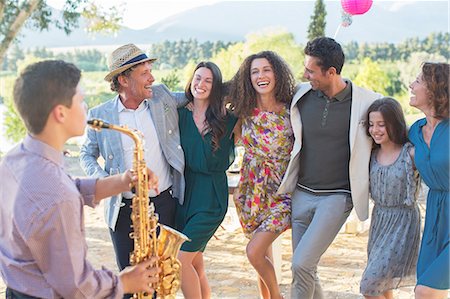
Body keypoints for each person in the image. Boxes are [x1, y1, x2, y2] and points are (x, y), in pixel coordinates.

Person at [0, 60, 160, 298]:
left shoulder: (15, 159)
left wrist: (124, 180)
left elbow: (67, 187)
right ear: (60, 113)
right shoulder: (57, 196)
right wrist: (124, 282)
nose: (86, 107)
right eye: (81, 100)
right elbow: (77, 287)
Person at [277, 37, 382, 299]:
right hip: (301, 193)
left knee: (301, 263)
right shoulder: (301, 95)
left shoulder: (368, 102)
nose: (305, 74)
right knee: (305, 269)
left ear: (331, 72)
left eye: (311, 70)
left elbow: (388, 134)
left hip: (337, 197)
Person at [79, 44, 186, 290]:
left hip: (163, 204)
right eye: (145, 73)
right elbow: (86, 154)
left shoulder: (162, 97)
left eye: (151, 71)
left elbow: (198, 94)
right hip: (124, 209)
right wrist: (106, 183)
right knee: (130, 283)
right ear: (124, 80)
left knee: (163, 281)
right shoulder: (101, 114)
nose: (153, 78)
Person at [228, 50, 296, 299]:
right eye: (255, 71)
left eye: (266, 69)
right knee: (262, 257)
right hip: (251, 192)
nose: (261, 76)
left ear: (277, 73)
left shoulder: (292, 111)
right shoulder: (243, 111)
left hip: (282, 193)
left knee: (254, 252)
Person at [175, 61, 237, 299]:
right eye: (198, 78)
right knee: (196, 263)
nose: (201, 84)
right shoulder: (179, 114)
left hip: (211, 197)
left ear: (216, 87)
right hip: (185, 194)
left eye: (208, 81)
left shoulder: (229, 118)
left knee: (181, 259)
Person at [360, 97, 421, 299]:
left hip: (403, 221)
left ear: (394, 124)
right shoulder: (370, 154)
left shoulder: (410, 154)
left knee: (370, 284)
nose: (375, 130)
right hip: (380, 220)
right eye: (371, 124)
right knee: (382, 284)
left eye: (381, 124)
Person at [408, 62, 449, 299]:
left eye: (418, 81)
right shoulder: (415, 131)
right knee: (428, 290)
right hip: (435, 218)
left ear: (435, 89)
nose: (411, 85)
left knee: (426, 291)